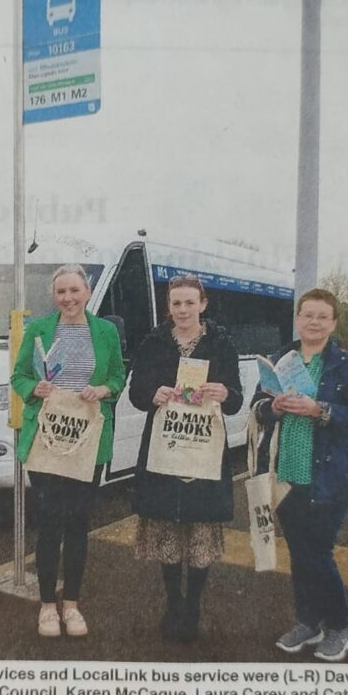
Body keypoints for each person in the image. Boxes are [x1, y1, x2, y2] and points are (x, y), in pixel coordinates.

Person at [252, 288, 348, 662]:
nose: (314, 322)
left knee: (318, 553)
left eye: (322, 316)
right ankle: (307, 621)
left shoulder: (346, 365)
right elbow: (258, 409)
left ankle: (339, 627)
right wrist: (273, 406)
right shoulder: (279, 358)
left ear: (333, 323)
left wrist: (318, 409)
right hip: (285, 473)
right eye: (308, 315)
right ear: (298, 318)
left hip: (329, 478)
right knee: (300, 554)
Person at [11, 264, 126, 638]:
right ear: (54, 295)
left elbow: (117, 377)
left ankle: (72, 605)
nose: (68, 298)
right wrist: (34, 389)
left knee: (78, 523)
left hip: (87, 441)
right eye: (61, 292)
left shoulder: (106, 331)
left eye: (75, 290)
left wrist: (102, 391)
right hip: (46, 438)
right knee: (49, 524)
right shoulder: (38, 329)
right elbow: (18, 377)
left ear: (88, 292)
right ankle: (47, 606)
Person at [127, 274, 242, 642]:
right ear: (169, 306)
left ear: (202, 304)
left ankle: (192, 604)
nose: (182, 310)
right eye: (176, 303)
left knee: (199, 529)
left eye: (189, 302)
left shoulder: (221, 342)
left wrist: (224, 391)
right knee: (167, 530)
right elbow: (135, 392)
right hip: (165, 444)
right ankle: (173, 603)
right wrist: (152, 393)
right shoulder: (154, 341)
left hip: (204, 447)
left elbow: (237, 397)